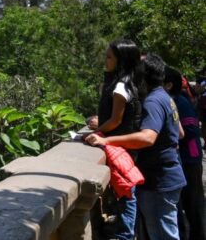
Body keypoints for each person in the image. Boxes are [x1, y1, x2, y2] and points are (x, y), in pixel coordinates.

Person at [87, 54, 187, 240]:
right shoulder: (165, 97)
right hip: (170, 175)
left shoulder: (153, 101)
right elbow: (179, 133)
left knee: (162, 235)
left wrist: (107, 141)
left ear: (142, 75)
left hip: (159, 181)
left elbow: (148, 138)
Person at [87, 40, 144, 240]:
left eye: (109, 57)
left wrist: (98, 132)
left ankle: (125, 235)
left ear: (121, 61)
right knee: (125, 191)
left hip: (120, 146)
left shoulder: (120, 86)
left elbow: (115, 120)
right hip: (124, 145)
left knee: (126, 192)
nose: (105, 60)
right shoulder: (130, 82)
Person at [165, 67, 205, 240]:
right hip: (182, 160)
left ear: (168, 84)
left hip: (190, 159)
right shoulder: (171, 100)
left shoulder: (181, 102)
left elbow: (191, 128)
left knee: (193, 204)